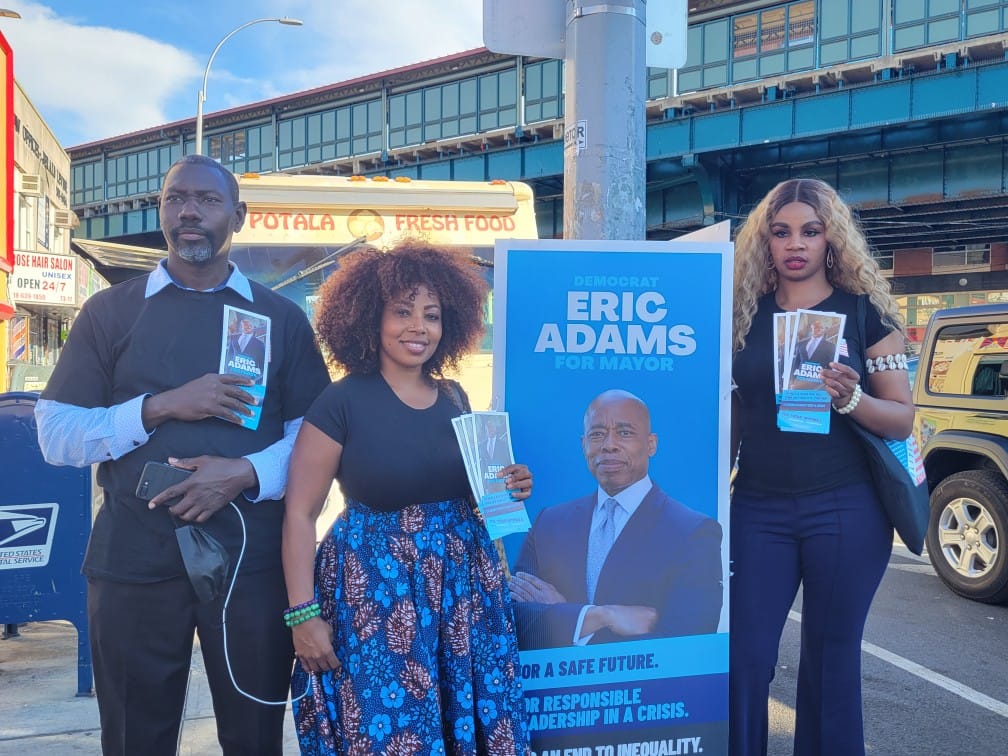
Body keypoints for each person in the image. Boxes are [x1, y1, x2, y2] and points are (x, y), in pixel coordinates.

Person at [34, 154, 331, 756]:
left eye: (207, 199)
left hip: (250, 565)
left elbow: (316, 443)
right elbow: (56, 434)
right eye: (176, 198)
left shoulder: (280, 319)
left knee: (254, 737)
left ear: (238, 216)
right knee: (134, 738)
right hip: (133, 561)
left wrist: (243, 473)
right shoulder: (110, 312)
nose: (189, 211)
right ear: (162, 211)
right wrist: (159, 407)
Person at [281, 241, 533, 754]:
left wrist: (510, 484)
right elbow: (300, 514)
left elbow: (475, 497)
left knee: (466, 724)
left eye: (431, 315)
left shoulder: (455, 397)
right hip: (375, 599)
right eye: (402, 312)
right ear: (369, 318)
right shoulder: (340, 402)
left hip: (462, 596)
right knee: (391, 729)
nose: (418, 327)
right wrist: (303, 615)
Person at [730, 178, 914, 756]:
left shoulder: (865, 313)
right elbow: (734, 414)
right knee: (743, 659)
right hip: (757, 508)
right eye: (781, 232)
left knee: (831, 667)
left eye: (810, 231)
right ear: (764, 241)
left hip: (845, 509)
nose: (795, 244)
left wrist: (852, 399)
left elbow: (902, 418)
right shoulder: (741, 315)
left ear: (831, 238)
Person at [508, 389, 723, 650]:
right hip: (553, 679)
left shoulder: (692, 532)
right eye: (597, 434)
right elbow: (511, 621)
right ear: (583, 444)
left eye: (625, 433)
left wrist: (562, 619)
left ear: (651, 444)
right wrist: (597, 617)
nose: (609, 444)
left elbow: (688, 642)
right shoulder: (549, 524)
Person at [227, 315, 267, 380]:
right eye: (245, 325)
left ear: (253, 327)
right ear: (241, 326)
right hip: (231, 378)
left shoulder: (260, 344)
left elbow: (263, 368)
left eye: (249, 325)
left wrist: (252, 381)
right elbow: (228, 358)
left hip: (248, 381)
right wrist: (227, 374)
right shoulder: (233, 338)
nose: (247, 327)